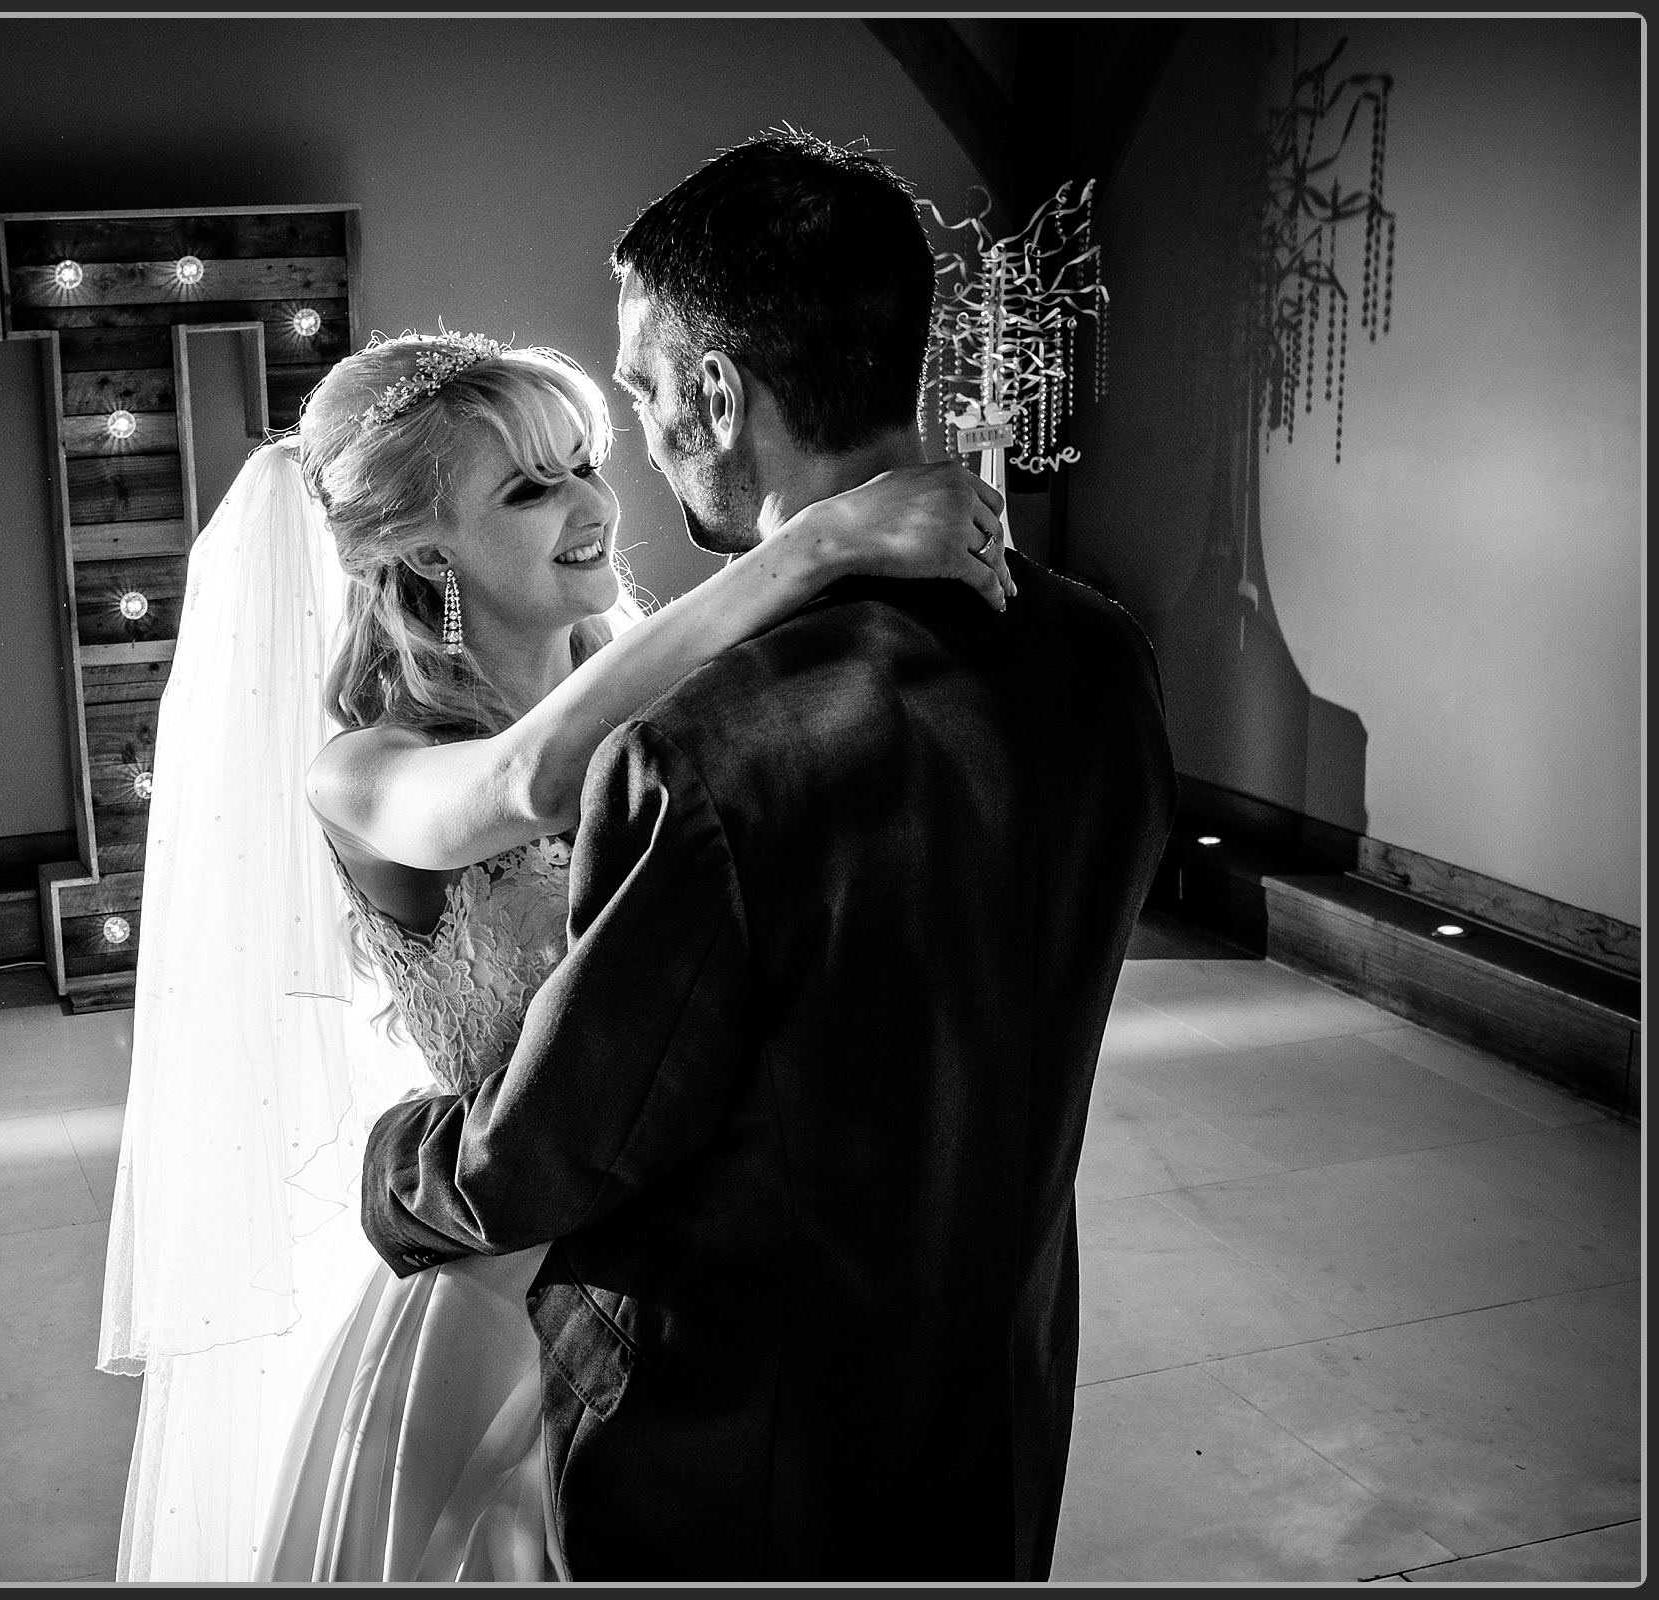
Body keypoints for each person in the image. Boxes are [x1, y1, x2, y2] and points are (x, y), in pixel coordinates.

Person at [352, 129, 1177, 1581]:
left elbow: (566, 1142)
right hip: (997, 1380)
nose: (638, 447)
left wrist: (395, 1167)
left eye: (642, 392)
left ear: (717, 392)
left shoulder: (702, 749)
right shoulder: (1101, 656)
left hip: (742, 1438)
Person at [103, 324, 1010, 1581]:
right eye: (531, 488)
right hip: (508, 1287)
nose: (592, 502)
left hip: (710, 1263)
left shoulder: (665, 687)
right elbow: (530, 777)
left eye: (584, 461)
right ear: (424, 552)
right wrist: (822, 538)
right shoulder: (362, 770)